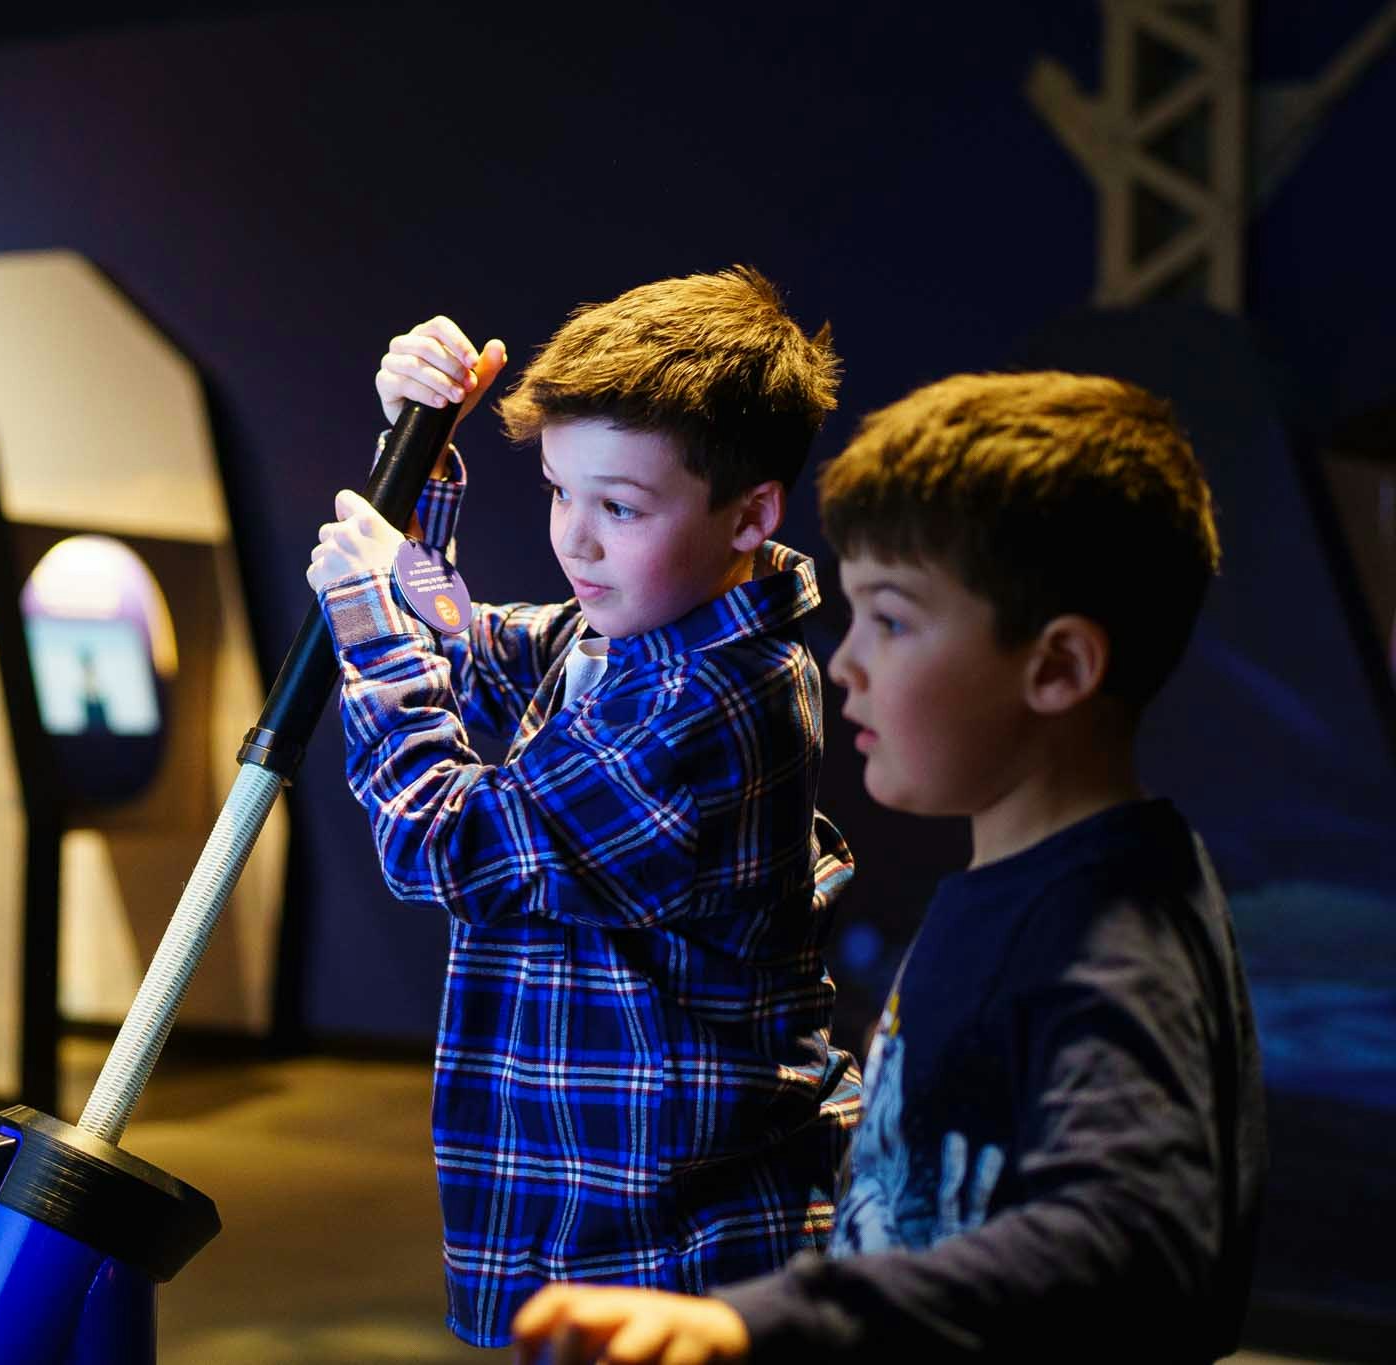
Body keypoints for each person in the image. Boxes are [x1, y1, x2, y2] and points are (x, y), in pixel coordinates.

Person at [509, 371, 1267, 1362]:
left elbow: (1136, 1238)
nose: (844, 662)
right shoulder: (1035, 885)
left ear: (1056, 668)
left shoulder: (1109, 941)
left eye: (894, 620)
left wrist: (749, 1325)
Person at [303, 269, 862, 1348]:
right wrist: (419, 446)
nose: (576, 539)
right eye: (560, 491)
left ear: (750, 514)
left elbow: (439, 840)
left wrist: (370, 618)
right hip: (591, 1212)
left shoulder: (705, 700)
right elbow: (471, 654)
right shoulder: (640, 634)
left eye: (619, 507)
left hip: (676, 1247)